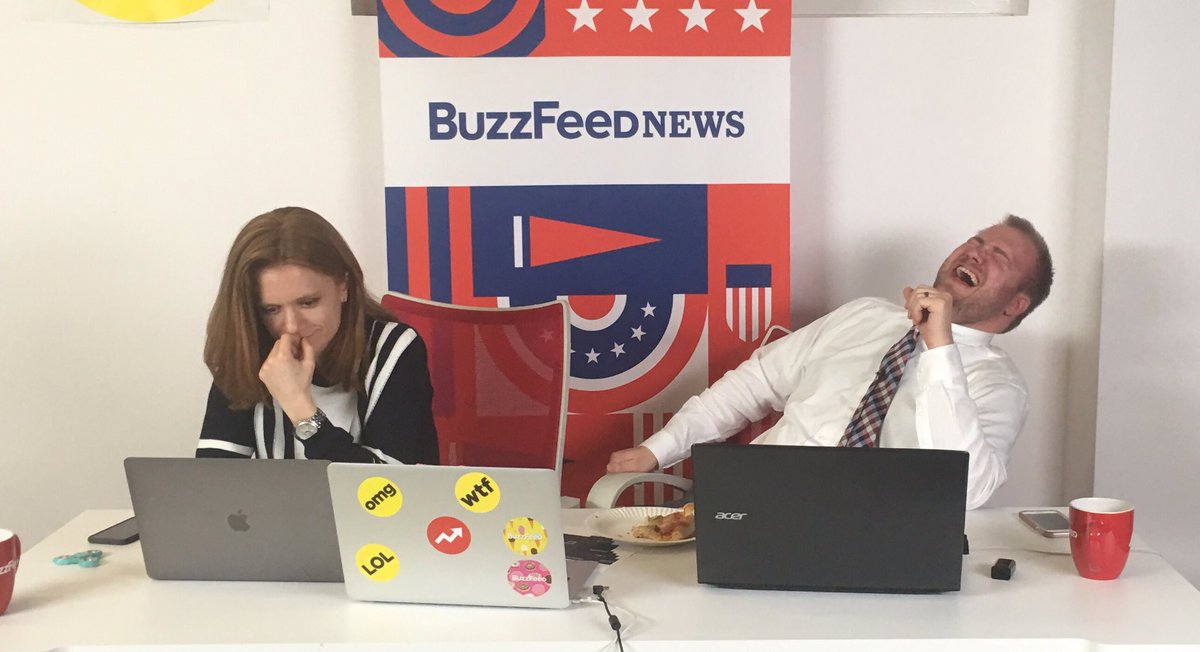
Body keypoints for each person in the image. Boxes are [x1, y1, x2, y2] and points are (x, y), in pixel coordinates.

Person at [607, 215, 1053, 509]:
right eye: (976, 241)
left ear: (1015, 305)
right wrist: (658, 449)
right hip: (751, 506)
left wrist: (940, 350)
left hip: (868, 539)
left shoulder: (998, 385)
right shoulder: (864, 315)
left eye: (999, 255)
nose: (975, 252)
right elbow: (751, 386)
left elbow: (968, 490)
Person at [197, 207, 438, 464]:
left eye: (308, 303)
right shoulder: (246, 346)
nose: (291, 326)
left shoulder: (394, 350)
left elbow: (389, 484)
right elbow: (215, 477)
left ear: (343, 286)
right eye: (271, 309)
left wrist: (300, 408)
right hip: (278, 494)